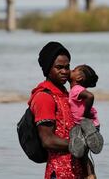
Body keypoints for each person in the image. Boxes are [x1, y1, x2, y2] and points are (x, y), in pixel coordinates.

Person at [28, 41, 84, 179]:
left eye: (67, 67)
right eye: (59, 67)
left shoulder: (66, 94)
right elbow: (48, 140)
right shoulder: (44, 97)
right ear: (48, 69)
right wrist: (80, 144)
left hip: (77, 170)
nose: (64, 72)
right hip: (59, 172)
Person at [68, 64, 103, 179]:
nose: (70, 70)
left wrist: (86, 114)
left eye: (73, 70)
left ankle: (90, 175)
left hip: (85, 125)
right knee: (84, 155)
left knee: (82, 154)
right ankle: (91, 175)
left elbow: (90, 96)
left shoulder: (75, 89)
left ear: (79, 78)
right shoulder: (76, 89)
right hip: (91, 125)